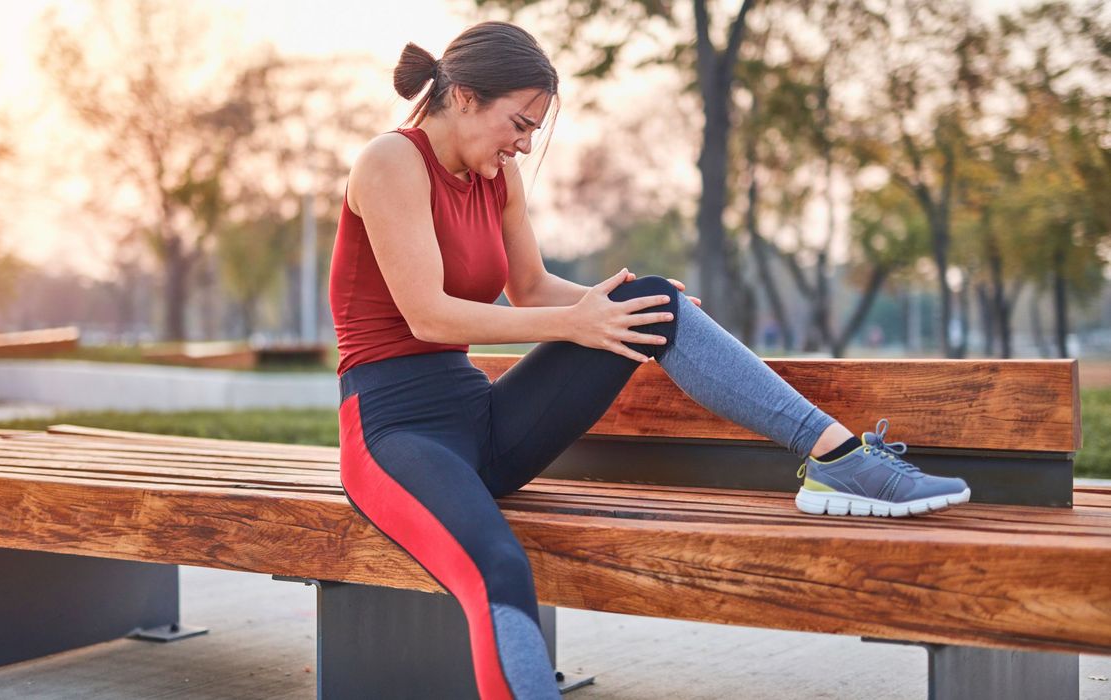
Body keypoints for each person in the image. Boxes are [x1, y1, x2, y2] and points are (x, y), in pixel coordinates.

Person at [329, 21, 970, 700]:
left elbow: (532, 288)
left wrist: (636, 309)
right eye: (517, 122)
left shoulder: (499, 176)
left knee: (655, 299)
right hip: (394, 435)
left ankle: (840, 462)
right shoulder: (390, 162)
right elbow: (428, 314)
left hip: (482, 423)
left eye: (533, 130)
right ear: (460, 97)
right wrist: (579, 321)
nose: (523, 143)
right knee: (498, 569)